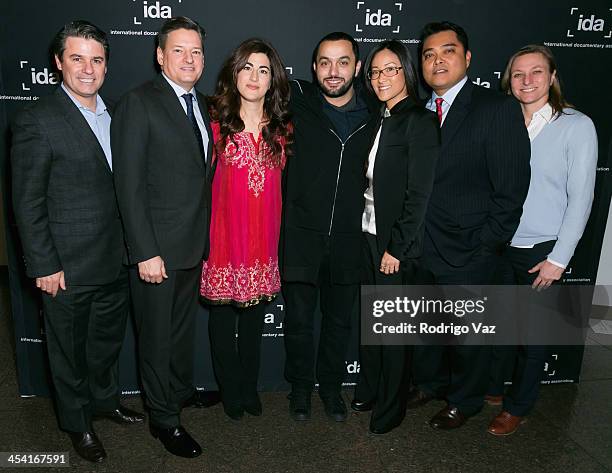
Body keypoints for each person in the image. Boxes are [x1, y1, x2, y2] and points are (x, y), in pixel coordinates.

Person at [10, 20, 143, 463]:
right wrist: (43, 265)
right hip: (64, 266)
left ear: (106, 65)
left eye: (97, 59)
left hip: (114, 258)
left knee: (105, 342)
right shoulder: (36, 120)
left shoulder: (117, 114)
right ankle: (78, 423)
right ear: (58, 62)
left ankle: (104, 402)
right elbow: (26, 203)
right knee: (67, 352)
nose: (88, 69)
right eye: (77, 58)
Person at [408, 21, 531, 429]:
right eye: (428, 55)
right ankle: (428, 383)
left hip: (470, 251)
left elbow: (511, 189)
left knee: (468, 336)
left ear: (467, 58)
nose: (437, 60)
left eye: (447, 51)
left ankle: (466, 399)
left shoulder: (495, 109)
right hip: (421, 245)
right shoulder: (416, 111)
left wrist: (486, 247)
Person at [111, 16, 214, 458]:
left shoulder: (205, 104)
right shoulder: (139, 102)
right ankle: (164, 420)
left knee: (179, 332)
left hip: (191, 246)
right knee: (155, 337)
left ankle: (175, 391)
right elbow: (128, 186)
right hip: (155, 251)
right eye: (179, 50)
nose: (189, 59)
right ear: (159, 55)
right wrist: (145, 252)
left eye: (196, 51)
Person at [485, 45, 597, 436]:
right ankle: (496, 391)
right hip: (499, 246)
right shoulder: (500, 122)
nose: (527, 80)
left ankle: (519, 406)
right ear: (508, 80)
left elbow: (582, 197)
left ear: (552, 77)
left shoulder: (576, 126)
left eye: (536, 72)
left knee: (533, 339)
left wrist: (559, 258)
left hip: (542, 250)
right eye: (518, 74)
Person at [281, 32, 377, 422]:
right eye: (324, 62)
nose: (332, 71)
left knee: (338, 325)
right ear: (314, 68)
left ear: (357, 68)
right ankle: (300, 390)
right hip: (301, 237)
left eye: (342, 62)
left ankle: (332, 390)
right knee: (299, 324)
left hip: (350, 242)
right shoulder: (296, 102)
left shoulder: (377, 113)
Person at [200, 38, 291, 421]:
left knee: (254, 320)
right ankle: (231, 390)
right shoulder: (214, 121)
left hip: (264, 238)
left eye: (264, 70)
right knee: (222, 320)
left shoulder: (282, 127)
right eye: (247, 67)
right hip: (223, 236)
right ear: (234, 72)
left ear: (273, 81)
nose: (254, 76)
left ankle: (249, 388)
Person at [352, 40, 439, 435]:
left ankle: (391, 407)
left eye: (390, 69)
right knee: (373, 323)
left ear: (406, 72)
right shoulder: (378, 117)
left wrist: (396, 248)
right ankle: (370, 391)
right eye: (374, 71)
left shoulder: (418, 120)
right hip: (367, 236)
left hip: (393, 246)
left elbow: (418, 194)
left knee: (393, 331)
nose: (381, 78)